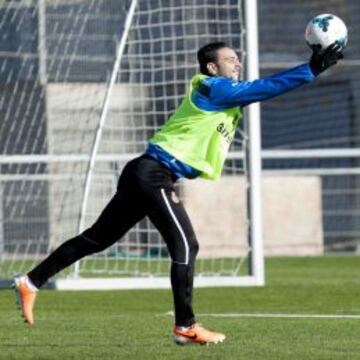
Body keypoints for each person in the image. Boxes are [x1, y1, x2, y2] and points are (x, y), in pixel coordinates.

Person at [14, 41, 343, 345]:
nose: (237, 62)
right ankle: (185, 326)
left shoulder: (225, 94)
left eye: (236, 58)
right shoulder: (212, 86)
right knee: (186, 244)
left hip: (145, 172)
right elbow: (264, 88)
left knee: (97, 239)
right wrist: (310, 68)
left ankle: (31, 281)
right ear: (211, 68)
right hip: (152, 174)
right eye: (230, 59)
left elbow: (253, 92)